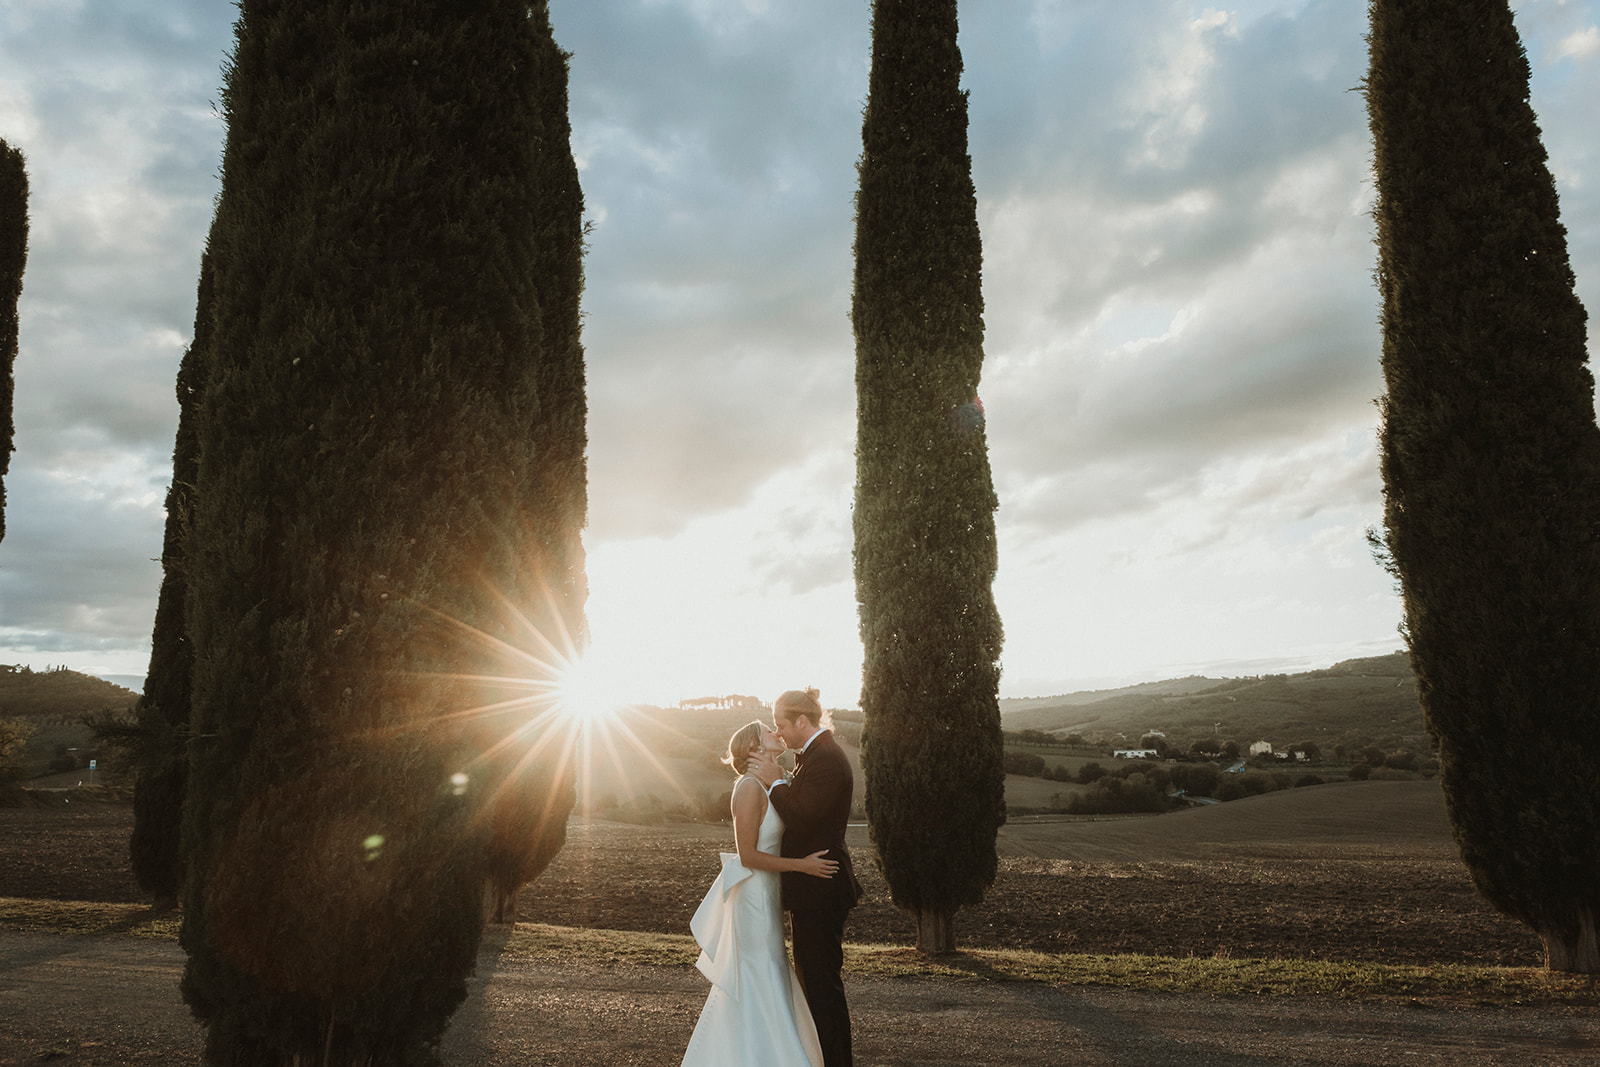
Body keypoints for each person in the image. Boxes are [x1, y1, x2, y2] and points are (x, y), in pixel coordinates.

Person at [681, 721, 837, 1067]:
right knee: (759, 971)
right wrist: (803, 866)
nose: (776, 732)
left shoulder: (766, 784)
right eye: (768, 729)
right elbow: (748, 855)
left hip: (766, 898)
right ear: (754, 748)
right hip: (752, 900)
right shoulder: (748, 788)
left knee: (769, 969)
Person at [749, 687, 863, 1067]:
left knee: (822, 986)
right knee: (813, 983)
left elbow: (803, 817)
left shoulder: (827, 758)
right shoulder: (813, 755)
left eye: (782, 725)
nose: (778, 733)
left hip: (821, 888)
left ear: (802, 721)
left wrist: (775, 781)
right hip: (811, 888)